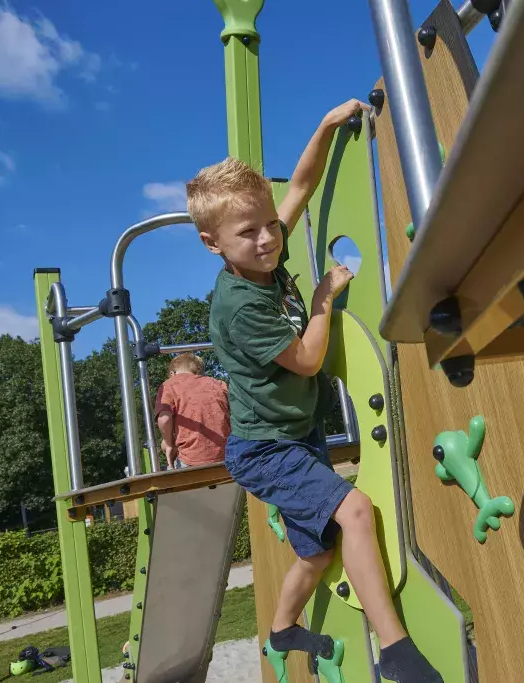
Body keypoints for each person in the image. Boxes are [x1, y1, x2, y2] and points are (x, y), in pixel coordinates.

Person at [187, 100, 442, 683]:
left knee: (317, 552)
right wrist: (323, 297)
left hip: (297, 434)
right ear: (212, 243)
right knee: (356, 510)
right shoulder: (241, 304)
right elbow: (305, 360)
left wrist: (325, 126)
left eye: (269, 224)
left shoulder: (264, 256)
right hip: (266, 449)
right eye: (248, 232)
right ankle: (396, 650)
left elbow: (301, 185)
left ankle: (282, 630)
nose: (267, 239)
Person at [154, 353, 230, 469]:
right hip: (226, 456)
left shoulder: (169, 385)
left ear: (172, 374)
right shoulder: (220, 384)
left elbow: (164, 419)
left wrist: (169, 444)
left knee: (164, 445)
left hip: (191, 461)